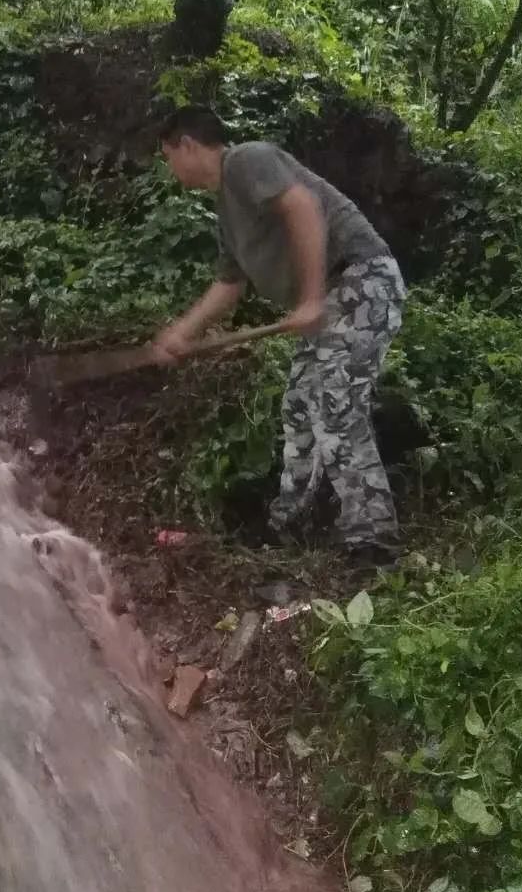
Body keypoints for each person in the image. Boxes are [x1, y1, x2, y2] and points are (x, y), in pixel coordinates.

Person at [153, 105, 406, 567]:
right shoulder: (226, 211)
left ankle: (373, 537)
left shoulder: (247, 160)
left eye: (168, 156)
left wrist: (310, 297)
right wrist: (181, 334)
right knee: (299, 402)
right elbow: (230, 284)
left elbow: (304, 207)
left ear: (186, 145)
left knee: (334, 400)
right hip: (332, 296)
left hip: (359, 280)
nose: (170, 169)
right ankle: (292, 521)